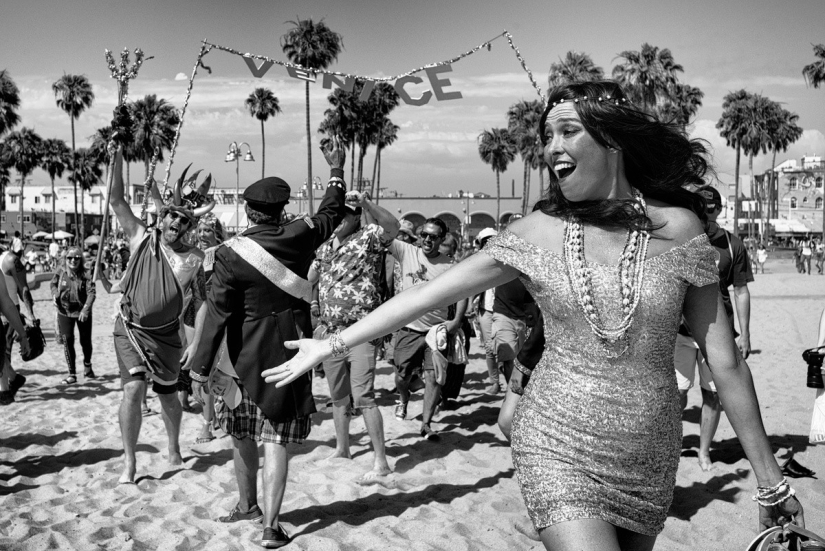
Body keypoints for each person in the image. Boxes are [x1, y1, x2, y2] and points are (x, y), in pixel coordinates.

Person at [263, 81, 804, 550]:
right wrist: (330, 344)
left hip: (650, 447)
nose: (552, 148)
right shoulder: (534, 234)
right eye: (547, 136)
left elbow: (726, 363)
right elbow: (425, 295)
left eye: (567, 131)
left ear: (611, 138)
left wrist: (771, 480)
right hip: (556, 439)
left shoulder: (681, 229)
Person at [188, 136, 347, 549]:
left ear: (248, 209)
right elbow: (331, 212)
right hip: (291, 353)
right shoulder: (301, 234)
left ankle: (247, 505)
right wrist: (336, 170)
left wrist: (200, 369)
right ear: (282, 209)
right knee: (277, 440)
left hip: (243, 359)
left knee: (242, 434)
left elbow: (218, 316)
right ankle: (271, 527)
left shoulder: (230, 253)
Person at [105, 147, 206, 485]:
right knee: (133, 391)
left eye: (184, 220)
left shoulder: (195, 258)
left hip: (167, 337)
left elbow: (203, 302)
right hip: (130, 330)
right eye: (172, 216)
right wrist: (117, 158)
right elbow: (117, 200)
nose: (177, 223)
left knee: (168, 398)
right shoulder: (140, 238)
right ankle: (130, 462)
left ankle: (174, 446)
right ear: (162, 217)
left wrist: (197, 341)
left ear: (190, 226)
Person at [308, 189, 398, 481]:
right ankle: (342, 449)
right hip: (330, 333)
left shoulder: (369, 237)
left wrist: (366, 203)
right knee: (338, 397)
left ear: (354, 216)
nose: (337, 220)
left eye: (343, 214)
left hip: (360, 332)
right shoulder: (323, 248)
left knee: (364, 397)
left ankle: (381, 461)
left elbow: (393, 227)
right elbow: (308, 280)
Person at [674, 185, 753, 471]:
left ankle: (704, 452)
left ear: (718, 210)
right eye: (699, 210)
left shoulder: (732, 244)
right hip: (681, 334)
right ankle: (672, 445)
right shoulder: (685, 240)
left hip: (718, 336)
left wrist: (745, 333)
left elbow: (741, 291)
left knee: (713, 395)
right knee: (677, 395)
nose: (704, 216)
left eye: (709, 210)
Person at [386, 217, 465, 440]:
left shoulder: (449, 265)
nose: (427, 240)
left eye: (433, 236)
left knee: (434, 377)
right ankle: (403, 398)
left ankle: (426, 424)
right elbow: (386, 229)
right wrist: (366, 206)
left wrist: (456, 321)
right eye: (424, 235)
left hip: (435, 332)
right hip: (408, 328)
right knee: (402, 377)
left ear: (442, 238)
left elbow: (463, 293)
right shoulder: (406, 251)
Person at [51, 245, 96, 383]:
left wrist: (85, 310)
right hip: (64, 311)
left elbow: (91, 293)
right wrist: (54, 295)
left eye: (76, 258)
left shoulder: (86, 273)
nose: (73, 260)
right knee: (67, 340)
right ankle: (72, 374)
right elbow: (53, 284)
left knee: (85, 341)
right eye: (70, 258)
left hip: (82, 312)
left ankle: (87, 366)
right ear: (66, 259)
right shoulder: (60, 271)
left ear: (80, 259)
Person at [0, 242, 36, 405]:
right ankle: (12, 381)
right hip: (5, 313)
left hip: (8, 314)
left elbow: (24, 288)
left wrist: (30, 315)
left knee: (4, 355)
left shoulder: (10, 259)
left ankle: (7, 388)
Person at [473, 228, 501, 394]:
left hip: (505, 310)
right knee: (490, 349)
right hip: (486, 309)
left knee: (505, 348)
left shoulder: (507, 261)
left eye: (492, 239)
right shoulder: (479, 261)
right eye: (486, 241)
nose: (489, 243)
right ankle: (495, 382)